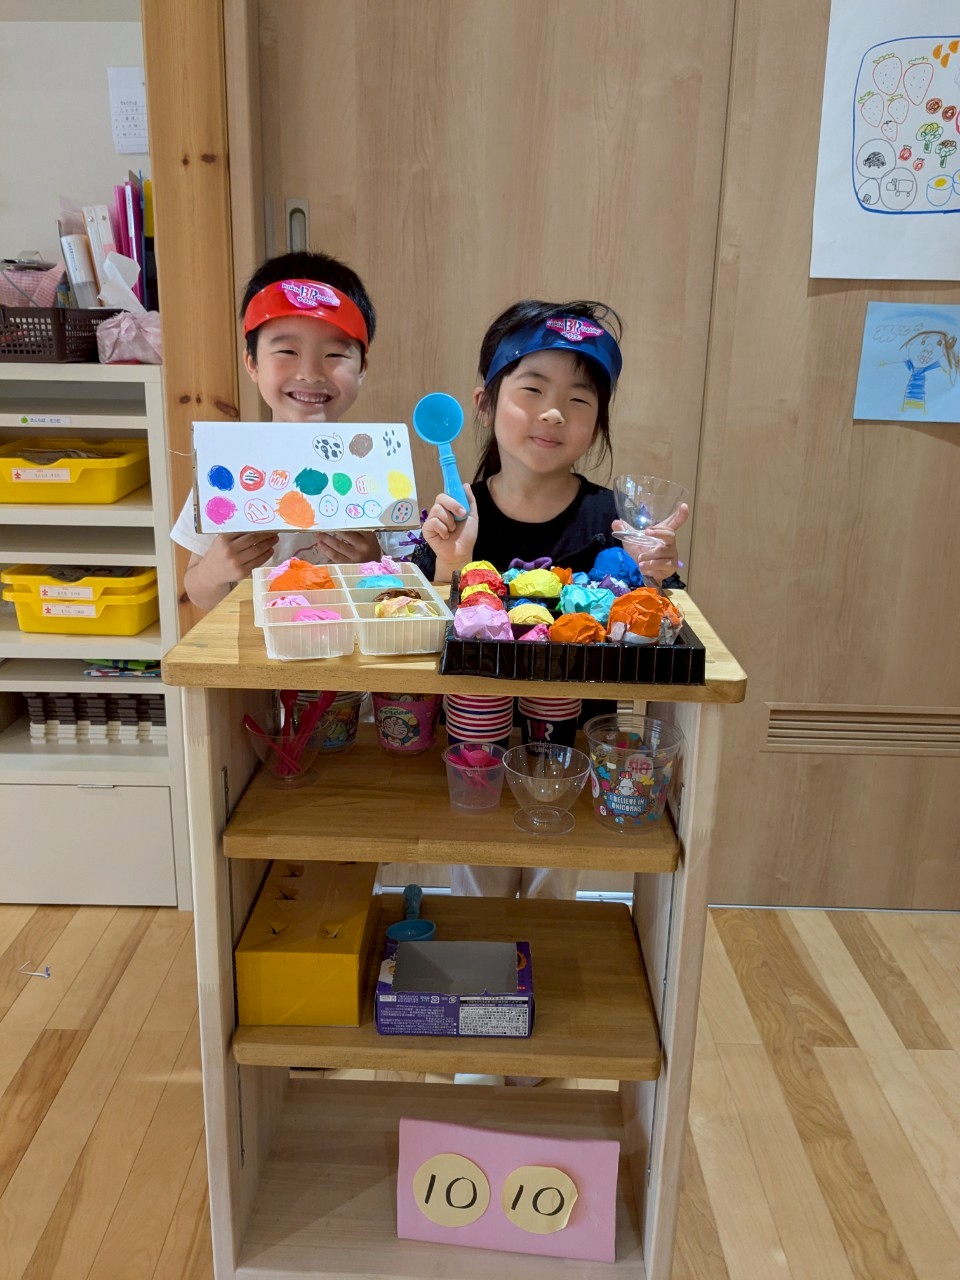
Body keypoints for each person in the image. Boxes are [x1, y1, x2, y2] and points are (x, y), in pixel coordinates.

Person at [420, 298, 689, 901]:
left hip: (577, 750)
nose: (552, 412)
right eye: (533, 389)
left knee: (555, 891)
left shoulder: (614, 519)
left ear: (598, 421)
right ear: (485, 402)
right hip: (473, 751)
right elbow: (420, 626)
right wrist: (451, 563)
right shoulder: (457, 514)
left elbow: (663, 627)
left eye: (578, 399)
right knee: (477, 877)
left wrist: (658, 577)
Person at [171, 251, 383, 609]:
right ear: (252, 362)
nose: (310, 374)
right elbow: (197, 591)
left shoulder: (375, 469)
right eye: (287, 351)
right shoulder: (226, 470)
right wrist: (216, 570)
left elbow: (396, 589)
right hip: (258, 643)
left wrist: (373, 562)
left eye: (334, 355)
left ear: (362, 367)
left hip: (348, 643)